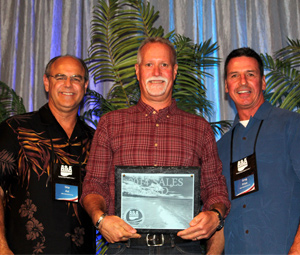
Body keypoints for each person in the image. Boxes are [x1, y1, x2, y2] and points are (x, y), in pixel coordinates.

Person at [81, 37, 230, 254]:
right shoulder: (111, 123)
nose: (156, 71)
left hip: (182, 248)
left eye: (164, 65)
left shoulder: (200, 127)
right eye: (149, 64)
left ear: (175, 70)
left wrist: (215, 215)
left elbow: (215, 187)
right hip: (125, 248)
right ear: (138, 70)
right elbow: (94, 184)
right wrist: (100, 219)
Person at [0, 55, 96, 254]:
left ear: (85, 85)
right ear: (46, 82)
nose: (68, 84)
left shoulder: (93, 140)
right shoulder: (16, 130)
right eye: (60, 77)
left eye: (76, 78)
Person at [217, 47, 300, 254]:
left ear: (263, 82)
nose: (242, 82)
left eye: (250, 74)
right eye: (234, 75)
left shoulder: (291, 125)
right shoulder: (221, 147)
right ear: (227, 86)